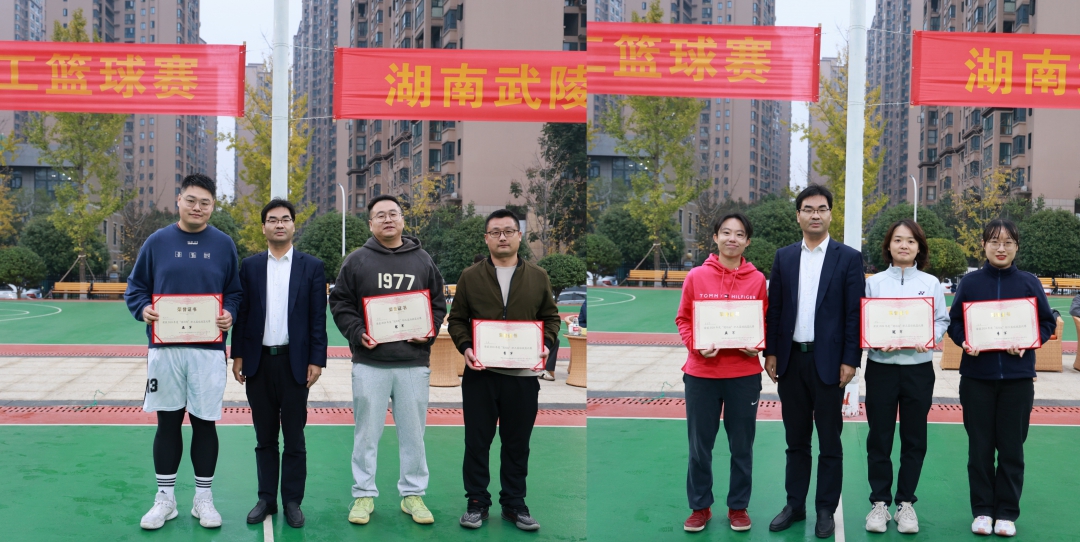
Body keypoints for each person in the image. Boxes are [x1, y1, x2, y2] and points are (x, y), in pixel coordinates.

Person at [125, 173, 242, 530]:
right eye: (191, 200)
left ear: (212, 207)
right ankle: (165, 499)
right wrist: (143, 309)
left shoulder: (223, 244)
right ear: (179, 200)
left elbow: (235, 292)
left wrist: (230, 313)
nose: (197, 207)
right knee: (168, 422)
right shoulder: (157, 242)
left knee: (205, 423)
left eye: (205, 202)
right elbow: (136, 288)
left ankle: (203, 498)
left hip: (208, 351)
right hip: (166, 350)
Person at [329, 194, 447, 526]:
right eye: (380, 215)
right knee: (366, 434)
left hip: (413, 364)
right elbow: (340, 303)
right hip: (371, 363)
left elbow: (438, 304)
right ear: (370, 224)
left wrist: (429, 332)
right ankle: (363, 493)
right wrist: (357, 333)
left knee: (414, 434)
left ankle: (413, 494)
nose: (387, 219)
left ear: (402, 220)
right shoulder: (357, 261)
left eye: (393, 213)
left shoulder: (422, 260)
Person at [447, 209, 562, 531]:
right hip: (480, 376)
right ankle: (476, 502)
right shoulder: (470, 276)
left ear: (519, 236)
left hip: (522, 378)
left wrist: (546, 343)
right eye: (495, 232)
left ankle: (514, 503)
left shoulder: (538, 276)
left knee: (517, 444)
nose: (502, 237)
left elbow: (551, 318)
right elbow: (457, 320)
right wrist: (465, 347)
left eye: (508, 231)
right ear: (486, 238)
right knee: (477, 442)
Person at [763, 184, 864, 539]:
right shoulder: (784, 257)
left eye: (821, 209)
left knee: (830, 442)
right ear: (798, 216)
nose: (815, 215)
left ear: (831, 215)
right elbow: (775, 309)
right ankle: (795, 505)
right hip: (791, 361)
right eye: (808, 209)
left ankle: (825, 509)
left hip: (830, 363)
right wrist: (771, 352)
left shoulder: (848, 258)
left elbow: (854, 314)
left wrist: (851, 359)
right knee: (796, 440)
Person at [947, 218, 1055, 537]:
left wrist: (1029, 341)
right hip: (976, 379)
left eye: (1008, 242)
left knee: (1011, 449)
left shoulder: (1029, 283)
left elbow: (1046, 323)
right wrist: (964, 341)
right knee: (979, 448)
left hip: (1017, 380)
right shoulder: (970, 283)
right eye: (994, 241)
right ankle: (982, 511)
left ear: (1016, 247)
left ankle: (1006, 513)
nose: (1001, 248)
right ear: (984, 245)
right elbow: (955, 323)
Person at [231, 199, 328, 528]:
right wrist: (238, 354)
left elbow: (317, 318)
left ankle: (292, 501)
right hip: (259, 362)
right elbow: (243, 314)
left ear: (293, 225)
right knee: (265, 438)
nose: (279, 224)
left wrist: (317, 359)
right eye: (272, 220)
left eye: (285, 219)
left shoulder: (311, 266)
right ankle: (266, 498)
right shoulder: (250, 267)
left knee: (295, 438)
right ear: (264, 228)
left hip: (294, 363)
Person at [675, 213, 767, 533]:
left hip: (743, 375)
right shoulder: (696, 277)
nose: (732, 239)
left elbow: (764, 320)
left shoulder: (757, 280)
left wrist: (758, 344)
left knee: (742, 446)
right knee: (700, 446)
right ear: (715, 237)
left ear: (747, 241)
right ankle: (700, 506)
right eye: (726, 232)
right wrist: (696, 346)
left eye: (739, 234)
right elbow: (683, 319)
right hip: (702, 374)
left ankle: (738, 507)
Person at [862, 220, 949, 534]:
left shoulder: (931, 283)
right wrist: (873, 341)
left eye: (910, 241)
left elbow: (941, 320)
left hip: (918, 370)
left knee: (914, 438)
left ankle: (905, 504)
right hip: (881, 368)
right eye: (898, 240)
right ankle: (879, 503)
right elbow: (864, 322)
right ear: (888, 245)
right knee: (879, 437)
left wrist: (928, 338)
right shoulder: (874, 283)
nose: (903, 246)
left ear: (919, 247)